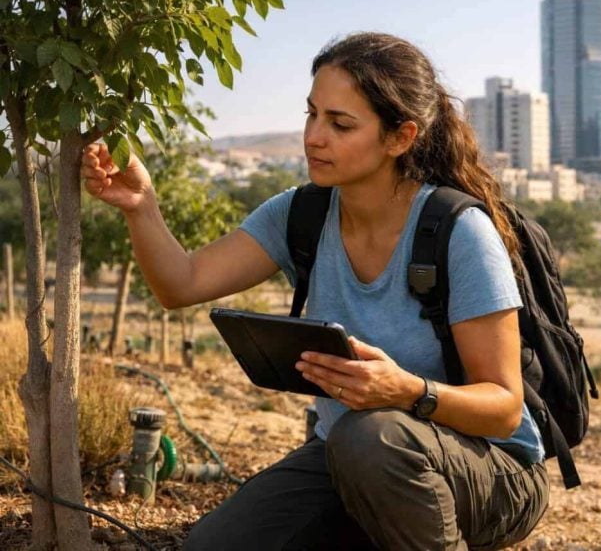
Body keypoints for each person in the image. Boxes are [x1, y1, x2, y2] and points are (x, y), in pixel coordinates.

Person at [82, 32, 549, 550]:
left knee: (370, 436)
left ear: (400, 138)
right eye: (311, 114)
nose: (313, 137)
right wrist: (141, 205)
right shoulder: (301, 213)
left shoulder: (459, 231)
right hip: (349, 456)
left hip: (489, 468)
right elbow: (182, 283)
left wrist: (408, 391)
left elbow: (503, 408)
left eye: (340, 124)